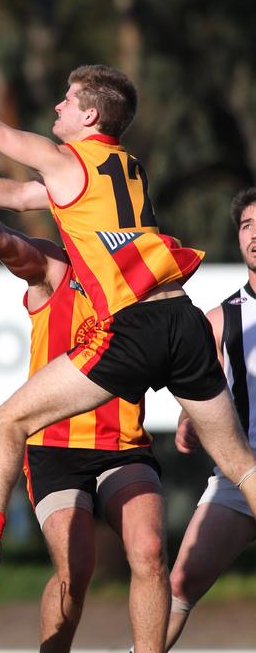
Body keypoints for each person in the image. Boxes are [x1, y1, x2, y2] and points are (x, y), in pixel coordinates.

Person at [0, 29, 256, 600]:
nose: (57, 106)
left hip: (134, 326)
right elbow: (22, 197)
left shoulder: (67, 160)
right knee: (242, 466)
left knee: (10, 419)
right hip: (181, 319)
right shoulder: (123, 165)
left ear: (88, 115)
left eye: (66, 98)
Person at [0, 131, 169, 652]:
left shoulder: (142, 275)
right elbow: (5, 241)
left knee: (150, 553)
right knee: (75, 572)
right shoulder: (56, 267)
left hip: (124, 445)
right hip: (57, 449)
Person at [164, 187, 256, 649]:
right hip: (241, 475)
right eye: (246, 226)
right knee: (179, 583)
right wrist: (189, 418)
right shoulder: (221, 318)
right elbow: (204, 391)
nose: (255, 235)